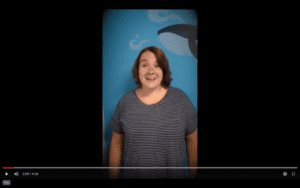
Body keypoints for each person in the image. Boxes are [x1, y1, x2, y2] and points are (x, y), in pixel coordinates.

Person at [108, 46, 197, 179]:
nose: (151, 71)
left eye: (157, 65)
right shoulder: (125, 103)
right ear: (137, 70)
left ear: (163, 70)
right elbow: (116, 142)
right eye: (144, 65)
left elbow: (192, 140)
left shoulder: (181, 100)